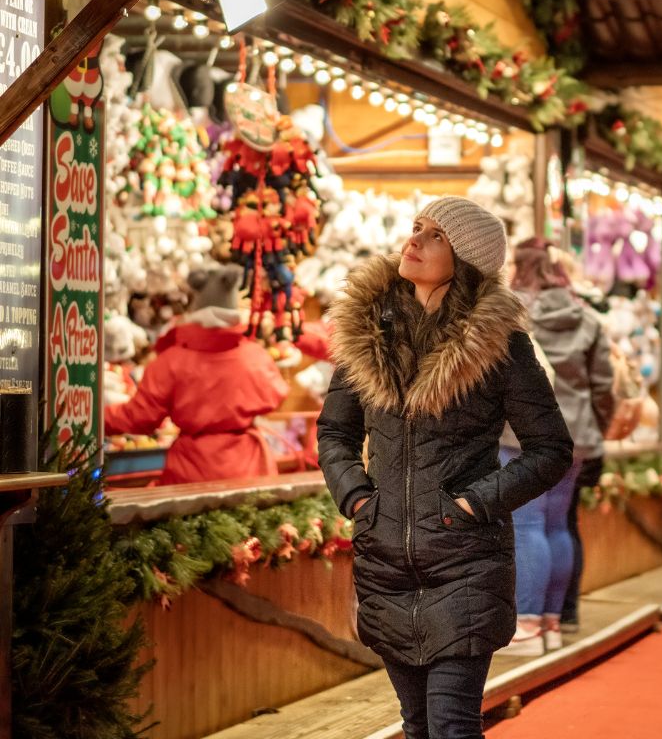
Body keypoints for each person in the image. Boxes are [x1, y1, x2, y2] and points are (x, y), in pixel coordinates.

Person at [317, 197, 574, 739]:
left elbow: (550, 449)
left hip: (465, 562)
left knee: (452, 726)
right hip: (385, 561)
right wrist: (359, 500)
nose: (414, 242)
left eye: (435, 236)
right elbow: (336, 432)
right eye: (416, 228)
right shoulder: (367, 337)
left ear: (467, 259)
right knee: (416, 726)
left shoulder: (500, 346)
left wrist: (474, 502)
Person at [497, 238, 614, 655]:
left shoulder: (511, 314)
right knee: (557, 525)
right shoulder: (588, 318)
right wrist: (595, 429)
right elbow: (603, 386)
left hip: (522, 435)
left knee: (526, 526)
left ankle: (526, 626)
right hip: (576, 436)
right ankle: (550, 622)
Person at [104, 263, 289, 484]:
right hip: (250, 470)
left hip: (192, 472)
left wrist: (93, 418)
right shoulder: (256, 356)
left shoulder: (171, 361)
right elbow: (277, 395)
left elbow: (139, 418)